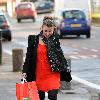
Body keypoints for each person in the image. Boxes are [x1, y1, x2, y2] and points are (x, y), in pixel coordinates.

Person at [22, 16, 72, 100]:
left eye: (50, 31)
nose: (48, 33)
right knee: (39, 97)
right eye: (45, 31)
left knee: (52, 96)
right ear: (41, 28)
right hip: (38, 74)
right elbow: (29, 56)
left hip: (52, 73)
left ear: (54, 30)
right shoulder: (34, 40)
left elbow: (59, 55)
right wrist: (25, 71)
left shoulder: (55, 39)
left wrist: (65, 68)